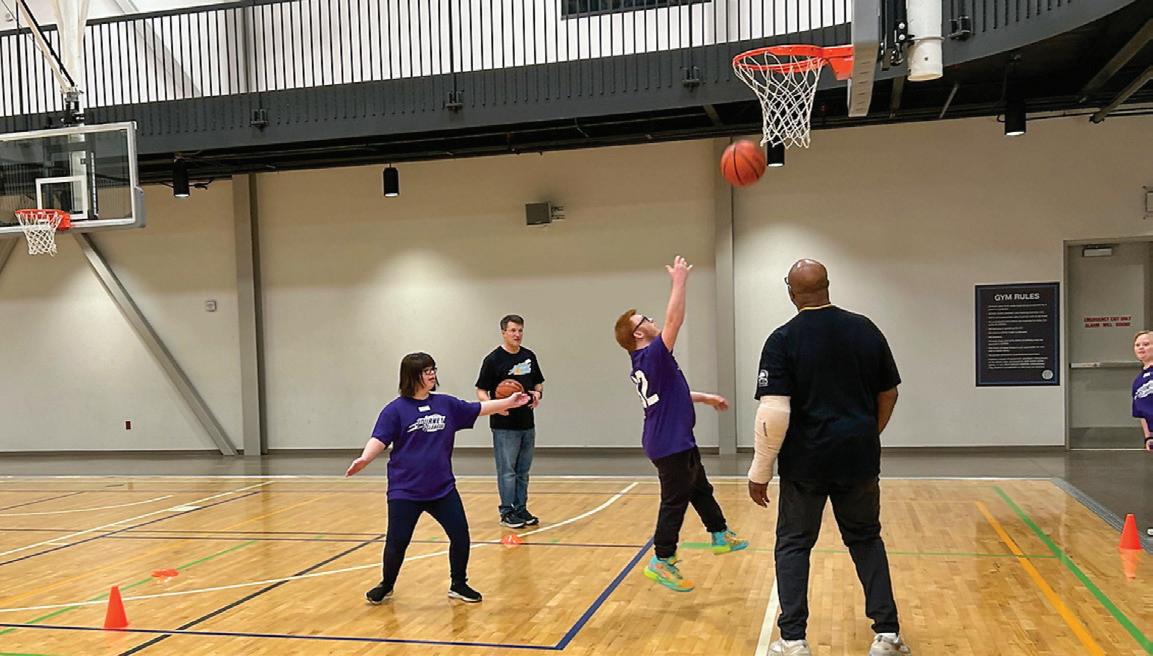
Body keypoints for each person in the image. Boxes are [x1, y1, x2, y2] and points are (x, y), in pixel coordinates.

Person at [747, 259, 911, 656]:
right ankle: (887, 635)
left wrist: (760, 470)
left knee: (793, 544)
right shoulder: (865, 329)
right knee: (866, 539)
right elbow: (889, 392)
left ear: (791, 292)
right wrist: (867, 434)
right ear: (828, 285)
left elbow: (774, 412)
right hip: (858, 460)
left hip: (805, 464)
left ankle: (793, 639)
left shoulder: (782, 339)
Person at [347, 352, 530, 604]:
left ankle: (459, 584)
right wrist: (365, 458)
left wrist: (509, 401)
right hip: (405, 490)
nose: (432, 374)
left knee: (460, 536)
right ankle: (386, 585)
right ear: (412, 376)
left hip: (442, 488)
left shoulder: (446, 404)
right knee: (397, 542)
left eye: (433, 369)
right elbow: (379, 438)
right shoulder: (395, 410)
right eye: (426, 371)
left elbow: (478, 408)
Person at [613, 255, 748, 593]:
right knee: (674, 501)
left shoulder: (646, 361)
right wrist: (679, 282)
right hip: (668, 443)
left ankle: (720, 533)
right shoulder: (653, 355)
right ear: (639, 332)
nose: (653, 319)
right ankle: (662, 559)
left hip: (675, 439)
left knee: (700, 488)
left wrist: (706, 398)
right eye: (645, 319)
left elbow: (674, 395)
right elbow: (675, 320)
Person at [475, 314, 546, 528]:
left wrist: (538, 394)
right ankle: (506, 511)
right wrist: (493, 406)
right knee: (508, 471)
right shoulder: (493, 360)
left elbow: (538, 383)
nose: (517, 334)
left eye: (520, 330)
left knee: (523, 471)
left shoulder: (529, 356)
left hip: (527, 422)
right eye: (513, 330)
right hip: (504, 425)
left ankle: (520, 508)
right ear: (503, 332)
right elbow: (481, 390)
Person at [1131, 330, 1153, 452]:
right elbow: (1142, 414)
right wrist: (1148, 437)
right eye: (1137, 345)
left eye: (1146, 344)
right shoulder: (1138, 381)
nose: (1141, 347)